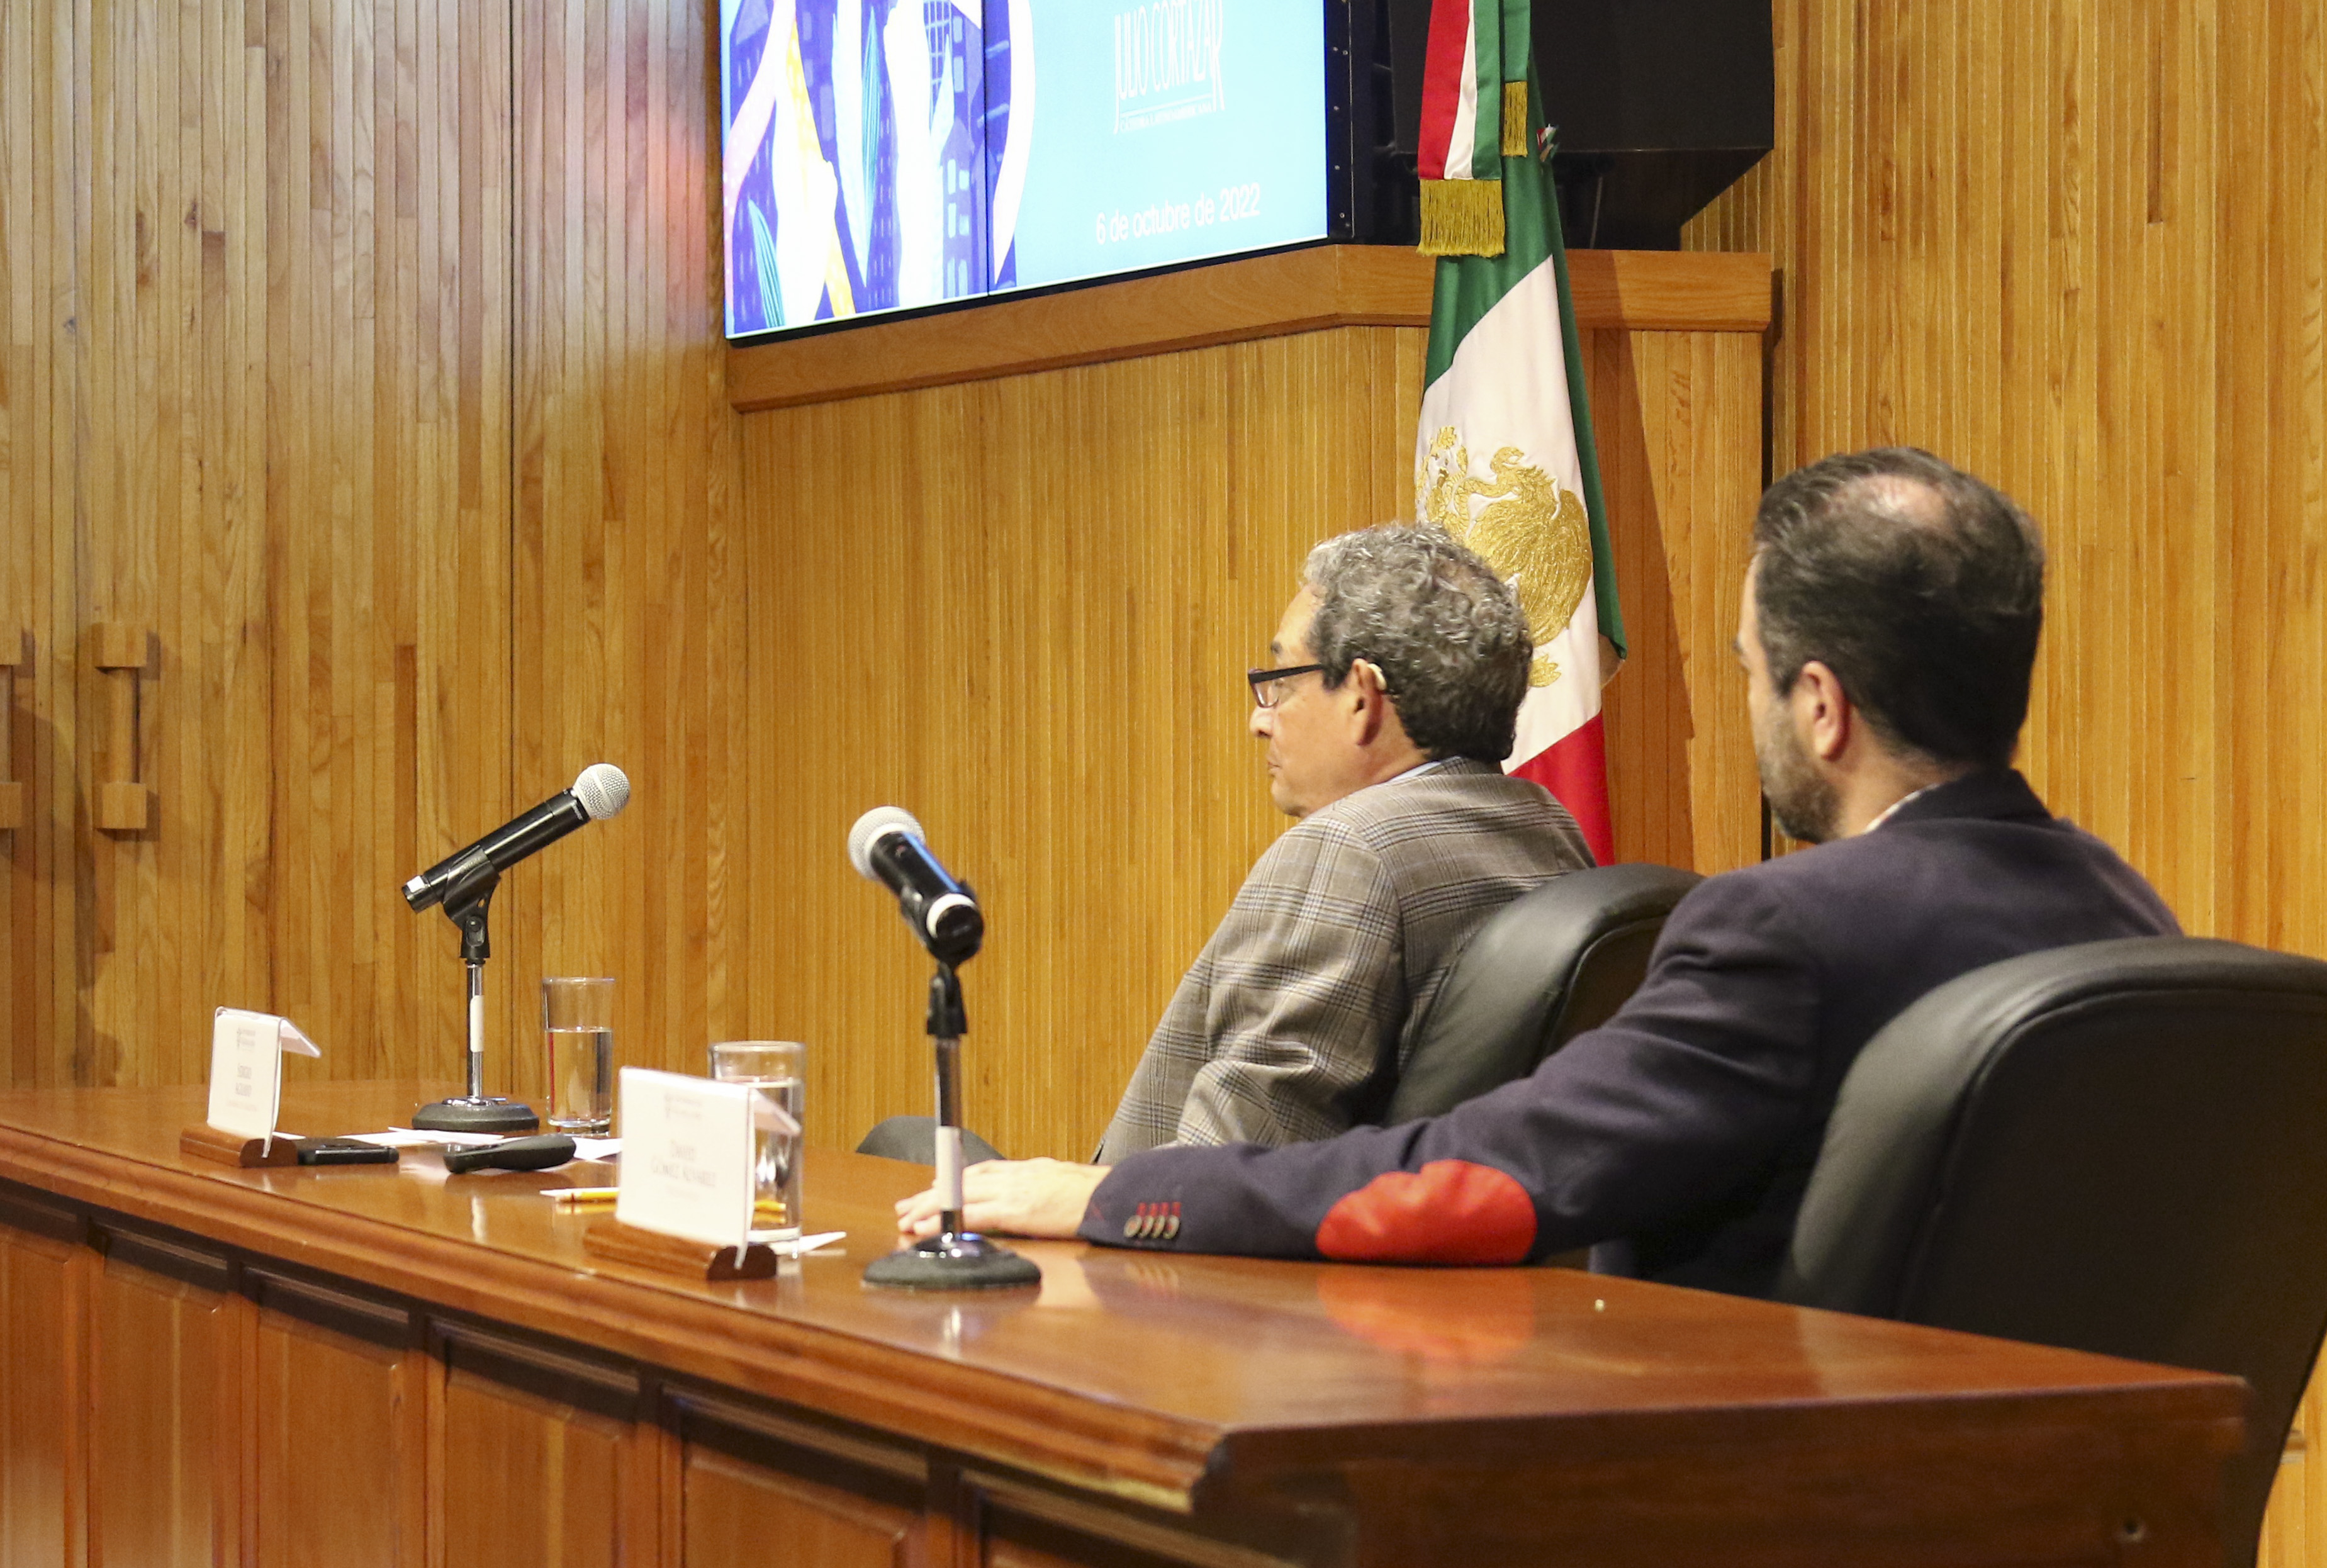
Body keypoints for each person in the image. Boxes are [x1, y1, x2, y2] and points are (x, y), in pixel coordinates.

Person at [903, 447, 2177, 1295]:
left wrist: (1119, 1194)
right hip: (2049, 1536)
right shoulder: (2130, 920)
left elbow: (1477, 1180)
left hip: (1735, 1522)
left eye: (1745, 671)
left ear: (1819, 705)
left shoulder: (1782, 929)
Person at [1094, 522, 1593, 1160]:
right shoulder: (1549, 828)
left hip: (1154, 1223)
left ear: (1361, 696)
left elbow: (1228, 1172)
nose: (1259, 718)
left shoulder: (1346, 853)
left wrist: (1065, 1198)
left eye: (1281, 681)